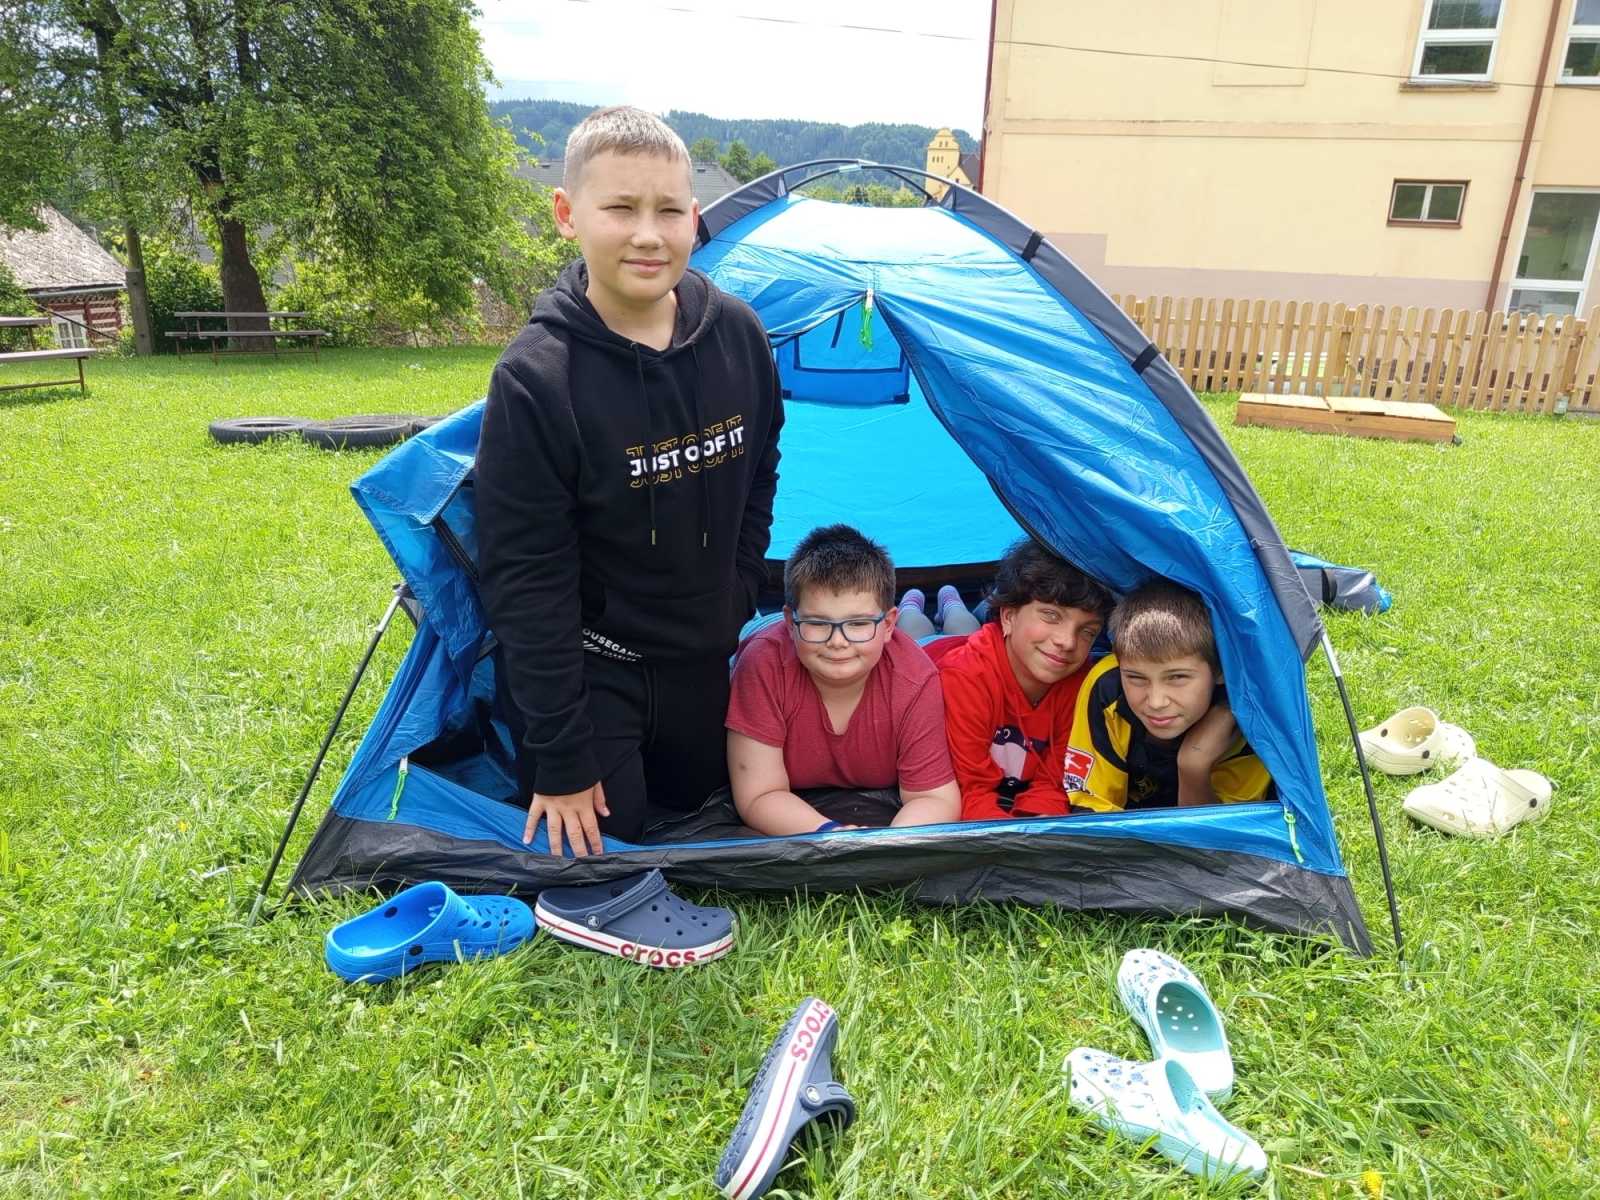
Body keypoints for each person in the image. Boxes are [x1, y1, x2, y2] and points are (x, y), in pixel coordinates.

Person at [476, 106, 783, 857]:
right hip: (591, 666)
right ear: (566, 214)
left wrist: (739, 593)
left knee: (709, 803)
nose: (648, 234)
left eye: (668, 211)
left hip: (700, 658)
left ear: (695, 219)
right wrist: (561, 754)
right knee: (603, 844)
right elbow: (525, 579)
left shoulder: (740, 336)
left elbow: (761, 474)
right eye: (620, 208)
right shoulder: (535, 378)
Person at [725, 525, 960, 835]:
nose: (838, 641)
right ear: (791, 623)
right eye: (818, 622)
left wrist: (888, 845)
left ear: (889, 625)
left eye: (858, 623)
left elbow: (935, 798)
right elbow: (759, 794)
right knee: (736, 633)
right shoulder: (763, 665)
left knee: (950, 635)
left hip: (909, 648)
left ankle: (941, 604)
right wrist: (833, 836)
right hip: (762, 635)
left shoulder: (915, 680)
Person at [934, 538, 1115, 821]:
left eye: (1087, 632)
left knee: (963, 623)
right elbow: (970, 790)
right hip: (933, 647)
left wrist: (1040, 827)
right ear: (1008, 616)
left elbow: (1056, 782)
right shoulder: (964, 678)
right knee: (925, 624)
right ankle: (936, 602)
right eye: (1051, 616)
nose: (1068, 642)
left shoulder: (1083, 685)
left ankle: (954, 605)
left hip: (994, 642)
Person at [1064, 579, 1271, 811]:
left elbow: (1232, 829)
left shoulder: (1251, 717)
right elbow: (1091, 813)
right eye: (1136, 678)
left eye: (1177, 677)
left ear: (1220, 671)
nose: (1156, 702)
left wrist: (1193, 767)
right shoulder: (1107, 686)